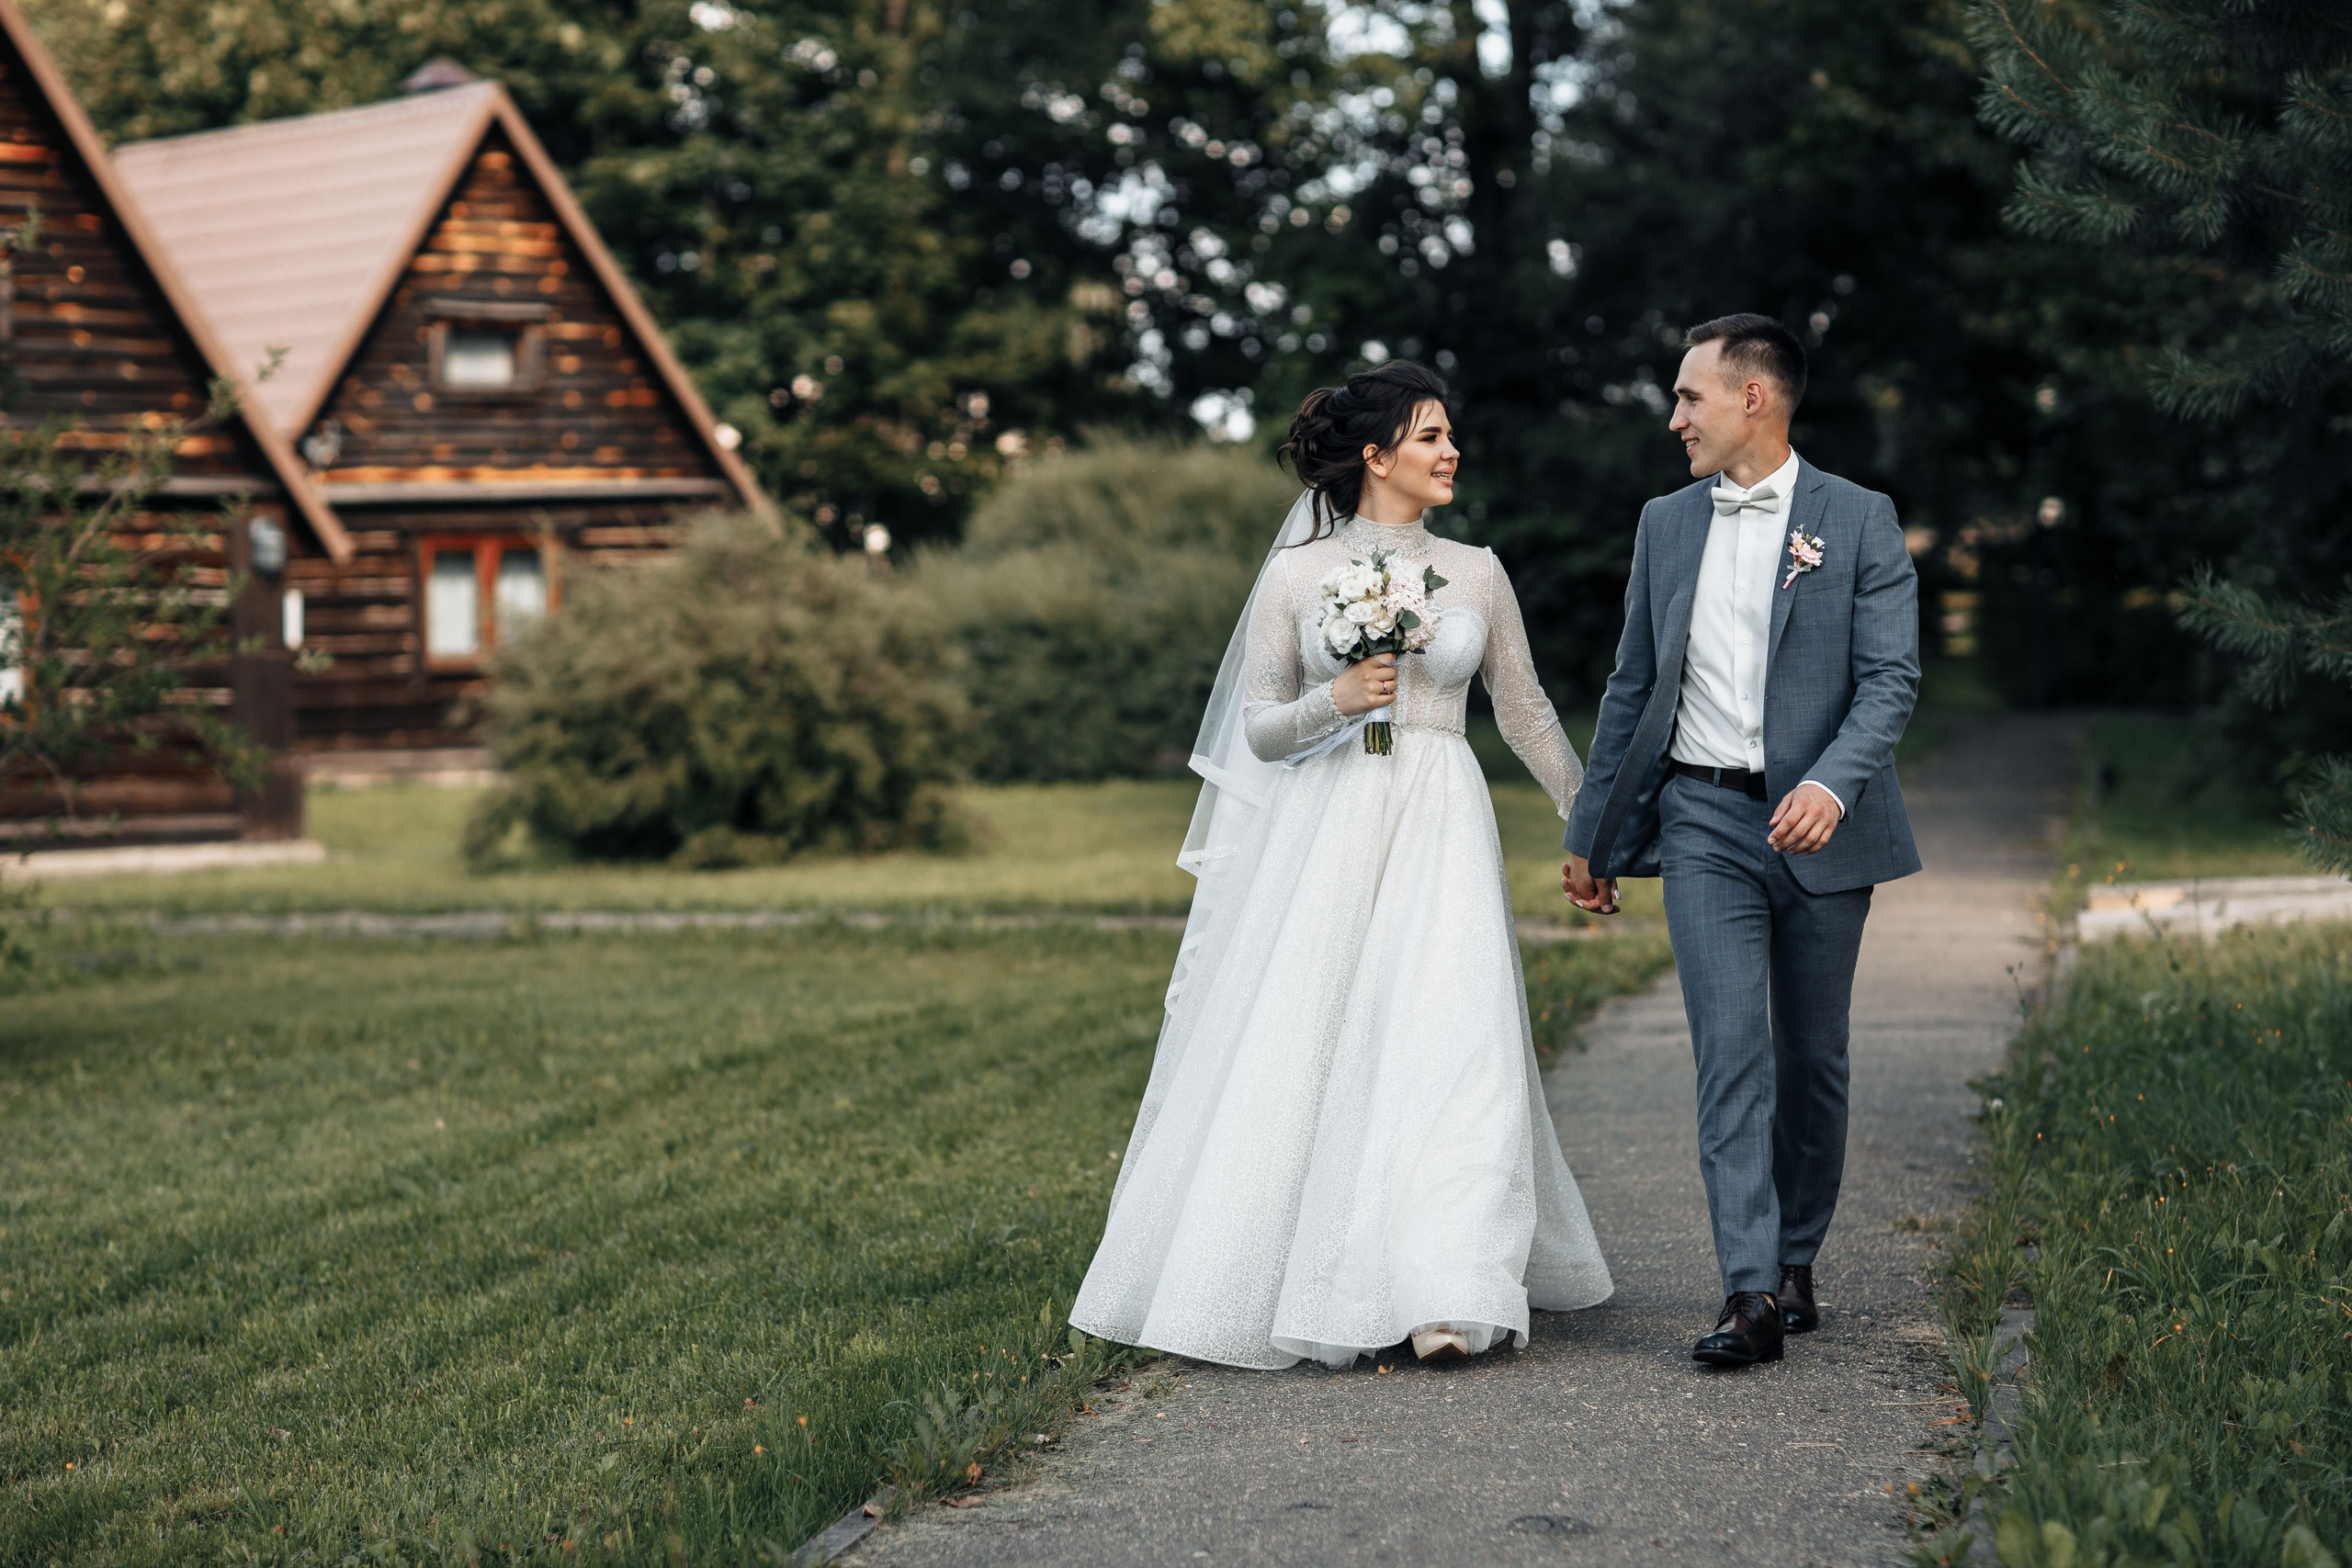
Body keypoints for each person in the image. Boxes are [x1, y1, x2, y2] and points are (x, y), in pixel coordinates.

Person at [1069, 361, 1611, 1370]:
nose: (1450, 453)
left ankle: (1449, 1285)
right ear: (1373, 456)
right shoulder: (1294, 577)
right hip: (1327, 825)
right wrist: (1338, 700)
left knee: (1454, 1033)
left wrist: (1590, 823)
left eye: (1450, 436)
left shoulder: (1479, 571)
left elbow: (1525, 710)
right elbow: (1258, 732)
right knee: (1318, 1034)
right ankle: (1305, 1265)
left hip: (1442, 815)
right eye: (1427, 437)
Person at [1561, 313, 1920, 1367]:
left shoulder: (1857, 518)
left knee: (1812, 1058)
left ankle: (1797, 1252)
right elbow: (1632, 687)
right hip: (1703, 816)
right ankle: (1749, 1291)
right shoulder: (1665, 525)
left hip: (1821, 825)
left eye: (1688, 397)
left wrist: (1832, 785)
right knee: (1731, 1052)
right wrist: (1591, 832)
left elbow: (1891, 677)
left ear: (1751, 398)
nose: (1674, 417)